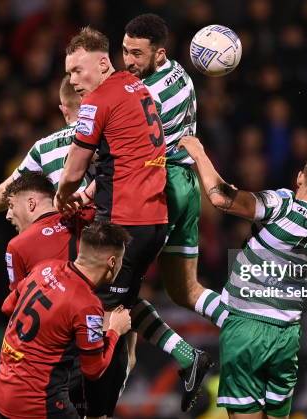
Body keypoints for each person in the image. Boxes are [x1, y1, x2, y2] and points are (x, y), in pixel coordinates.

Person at [56, 27, 212, 415]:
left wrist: (63, 196)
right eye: (69, 72)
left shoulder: (99, 102)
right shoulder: (137, 88)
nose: (73, 80)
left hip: (126, 223)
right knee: (123, 303)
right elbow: (125, 154)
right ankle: (187, 356)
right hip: (150, 217)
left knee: (102, 318)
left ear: (103, 62)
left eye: (78, 70)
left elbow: (74, 168)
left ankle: (96, 408)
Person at [179, 135, 307, 419]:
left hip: (246, 326)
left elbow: (221, 197)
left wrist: (199, 154)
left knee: (186, 291)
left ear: (300, 177)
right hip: (287, 334)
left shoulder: (282, 203)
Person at [122, 14, 230, 332]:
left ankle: (177, 355)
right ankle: (244, 324)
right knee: (186, 290)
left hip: (162, 186)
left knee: (115, 288)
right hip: (187, 186)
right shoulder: (179, 72)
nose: (128, 60)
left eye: (136, 54)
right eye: (125, 51)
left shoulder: (146, 97)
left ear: (159, 53)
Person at [0, 221, 132, 419]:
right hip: (38, 403)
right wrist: (115, 330)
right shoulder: (87, 304)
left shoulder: (43, 267)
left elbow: (7, 306)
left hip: (3, 389)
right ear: (112, 262)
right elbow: (94, 369)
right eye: (121, 260)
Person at [0, 75, 90, 229]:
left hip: (71, 231)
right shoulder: (103, 133)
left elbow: (8, 190)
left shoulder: (43, 147)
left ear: (63, 109)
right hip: (108, 223)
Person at [3, 172, 94, 289]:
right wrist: (86, 196)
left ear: (31, 204)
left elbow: (18, 300)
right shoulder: (84, 216)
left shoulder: (17, 246)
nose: (8, 215)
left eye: (11, 206)